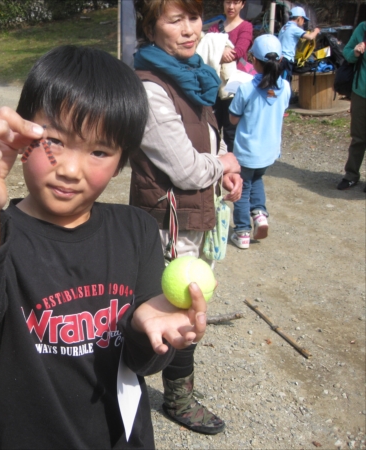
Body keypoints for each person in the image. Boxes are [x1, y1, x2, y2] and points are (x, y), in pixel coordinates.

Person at [0, 45, 210, 448]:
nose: (70, 169)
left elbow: (144, 361)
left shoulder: (136, 230)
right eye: (56, 141)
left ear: (121, 162)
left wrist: (148, 331)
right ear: (24, 136)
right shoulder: (0, 231)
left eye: (99, 151)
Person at [130, 0, 242, 436]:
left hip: (195, 210)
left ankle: (169, 389)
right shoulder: (149, 87)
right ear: (151, 27)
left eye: (193, 18)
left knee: (188, 302)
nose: (189, 29)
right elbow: (185, 168)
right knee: (181, 304)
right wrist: (223, 164)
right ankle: (177, 399)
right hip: (167, 219)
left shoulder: (191, 75)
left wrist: (225, 173)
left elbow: (208, 148)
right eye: (175, 20)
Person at [228, 34, 291, 249]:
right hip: (268, 151)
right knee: (257, 180)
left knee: (242, 190)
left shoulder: (246, 89)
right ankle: (260, 215)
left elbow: (233, 118)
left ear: (253, 60)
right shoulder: (286, 87)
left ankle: (243, 232)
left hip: (247, 151)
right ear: (280, 60)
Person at [208, 0, 254, 151]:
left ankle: (232, 166)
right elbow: (205, 49)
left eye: (235, 3)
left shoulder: (246, 27)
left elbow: (239, 51)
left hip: (235, 84)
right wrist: (220, 52)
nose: (231, 7)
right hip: (215, 83)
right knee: (212, 127)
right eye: (228, 2)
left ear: (242, 4)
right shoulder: (215, 27)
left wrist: (217, 51)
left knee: (231, 129)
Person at [336, 21, 366, 192]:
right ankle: (351, 175)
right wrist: (355, 52)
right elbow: (347, 53)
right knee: (358, 137)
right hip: (361, 92)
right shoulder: (363, 28)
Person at [277, 6, 320, 83]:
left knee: (279, 83)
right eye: (303, 20)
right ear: (299, 18)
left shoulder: (284, 27)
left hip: (280, 58)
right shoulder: (294, 28)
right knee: (285, 84)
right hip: (286, 59)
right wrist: (316, 31)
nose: (304, 22)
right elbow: (310, 37)